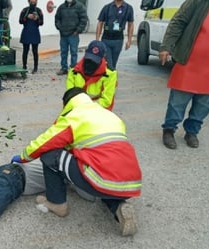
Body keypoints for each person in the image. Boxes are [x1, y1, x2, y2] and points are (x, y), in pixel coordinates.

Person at [11, 87, 142, 236]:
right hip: (131, 183)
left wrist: (23, 157)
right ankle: (118, 207)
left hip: (101, 177)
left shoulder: (74, 116)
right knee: (107, 184)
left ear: (67, 104)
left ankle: (57, 203)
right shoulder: (110, 115)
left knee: (50, 154)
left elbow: (45, 142)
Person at [160, 0, 209, 149]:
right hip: (190, 62)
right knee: (178, 102)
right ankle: (169, 129)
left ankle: (192, 132)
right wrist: (166, 46)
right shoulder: (198, 2)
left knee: (205, 105)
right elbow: (178, 21)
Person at [66, 40, 117, 110]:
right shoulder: (74, 71)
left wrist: (87, 108)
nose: (91, 62)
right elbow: (70, 95)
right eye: (89, 59)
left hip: (99, 110)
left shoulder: (110, 74)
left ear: (103, 57)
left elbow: (106, 100)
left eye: (94, 60)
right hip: (77, 107)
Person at [96, 0, 134, 70]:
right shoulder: (107, 7)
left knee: (113, 63)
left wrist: (129, 40)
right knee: (108, 63)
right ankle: (111, 78)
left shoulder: (128, 8)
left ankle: (111, 79)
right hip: (106, 39)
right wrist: (97, 39)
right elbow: (100, 22)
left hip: (118, 40)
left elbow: (130, 24)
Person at [54, 0, 88, 75]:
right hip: (63, 35)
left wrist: (78, 30)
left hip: (73, 34)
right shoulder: (61, 7)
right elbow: (57, 19)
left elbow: (83, 20)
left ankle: (73, 68)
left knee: (73, 52)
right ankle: (64, 68)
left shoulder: (79, 7)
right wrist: (60, 28)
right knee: (63, 52)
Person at [19, 0, 44, 74]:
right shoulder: (25, 10)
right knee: (25, 50)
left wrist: (37, 19)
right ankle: (24, 66)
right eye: (32, 1)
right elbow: (20, 21)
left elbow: (42, 22)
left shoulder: (39, 10)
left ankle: (35, 67)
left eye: (35, 1)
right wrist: (27, 17)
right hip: (26, 31)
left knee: (35, 51)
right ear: (29, 1)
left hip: (35, 32)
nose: (33, 3)